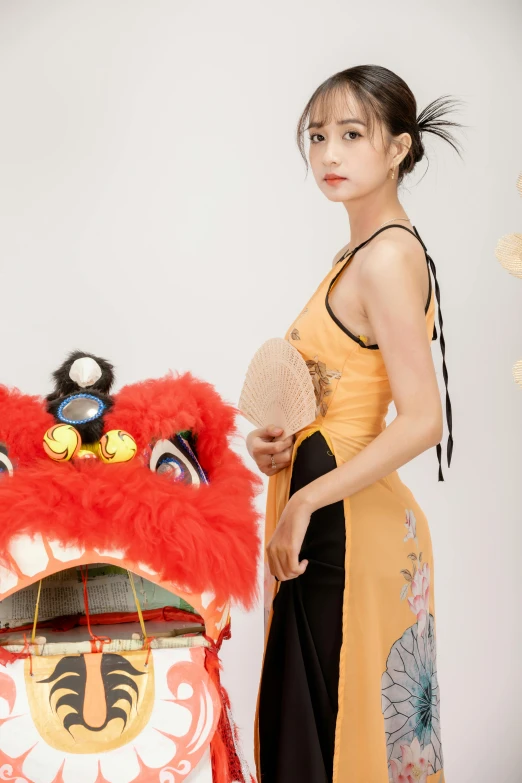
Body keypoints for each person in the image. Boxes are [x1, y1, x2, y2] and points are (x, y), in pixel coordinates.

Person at [247, 65, 464, 783]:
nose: (329, 154)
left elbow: (423, 417)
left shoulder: (389, 257)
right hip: (331, 519)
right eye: (317, 137)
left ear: (398, 148)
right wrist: (279, 444)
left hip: (349, 529)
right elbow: (340, 397)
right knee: (316, 728)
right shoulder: (359, 254)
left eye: (351, 134)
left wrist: (306, 497)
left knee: (338, 736)